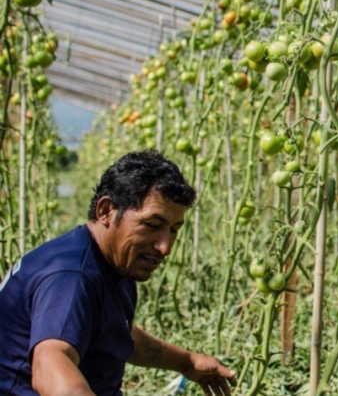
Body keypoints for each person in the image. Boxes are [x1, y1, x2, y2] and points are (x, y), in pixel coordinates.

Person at [0, 150, 237, 396]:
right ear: (106, 211)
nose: (165, 247)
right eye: (152, 225)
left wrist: (186, 362)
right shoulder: (72, 277)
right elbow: (50, 365)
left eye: (174, 230)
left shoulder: (110, 262)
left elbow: (116, 333)